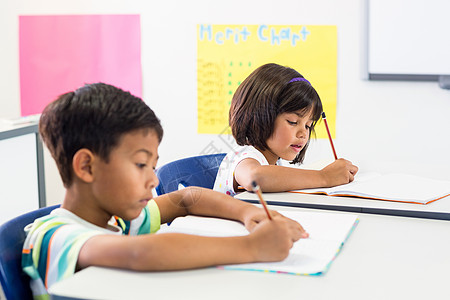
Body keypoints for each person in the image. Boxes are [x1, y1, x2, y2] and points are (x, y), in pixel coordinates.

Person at [22, 83, 308, 297]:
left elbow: (185, 199)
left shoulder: (120, 219)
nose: (153, 180)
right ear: (86, 166)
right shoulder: (54, 235)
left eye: (153, 166)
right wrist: (253, 247)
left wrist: (248, 213)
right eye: (140, 164)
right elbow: (140, 253)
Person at [213, 63, 358, 196]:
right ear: (260, 116)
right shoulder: (244, 157)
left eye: (308, 125)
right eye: (293, 122)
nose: (303, 134)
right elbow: (254, 177)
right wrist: (325, 177)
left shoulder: (273, 162)